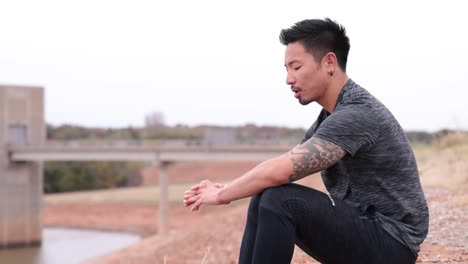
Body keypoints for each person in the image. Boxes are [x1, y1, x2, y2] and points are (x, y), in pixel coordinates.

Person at [183, 18, 429, 264]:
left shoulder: (356, 114)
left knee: (279, 199)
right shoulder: (330, 117)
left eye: (296, 67)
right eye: (286, 69)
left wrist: (223, 195)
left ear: (329, 62)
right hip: (369, 233)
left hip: (392, 245)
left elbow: (279, 172)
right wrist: (226, 186)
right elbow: (284, 162)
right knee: (264, 195)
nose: (289, 79)